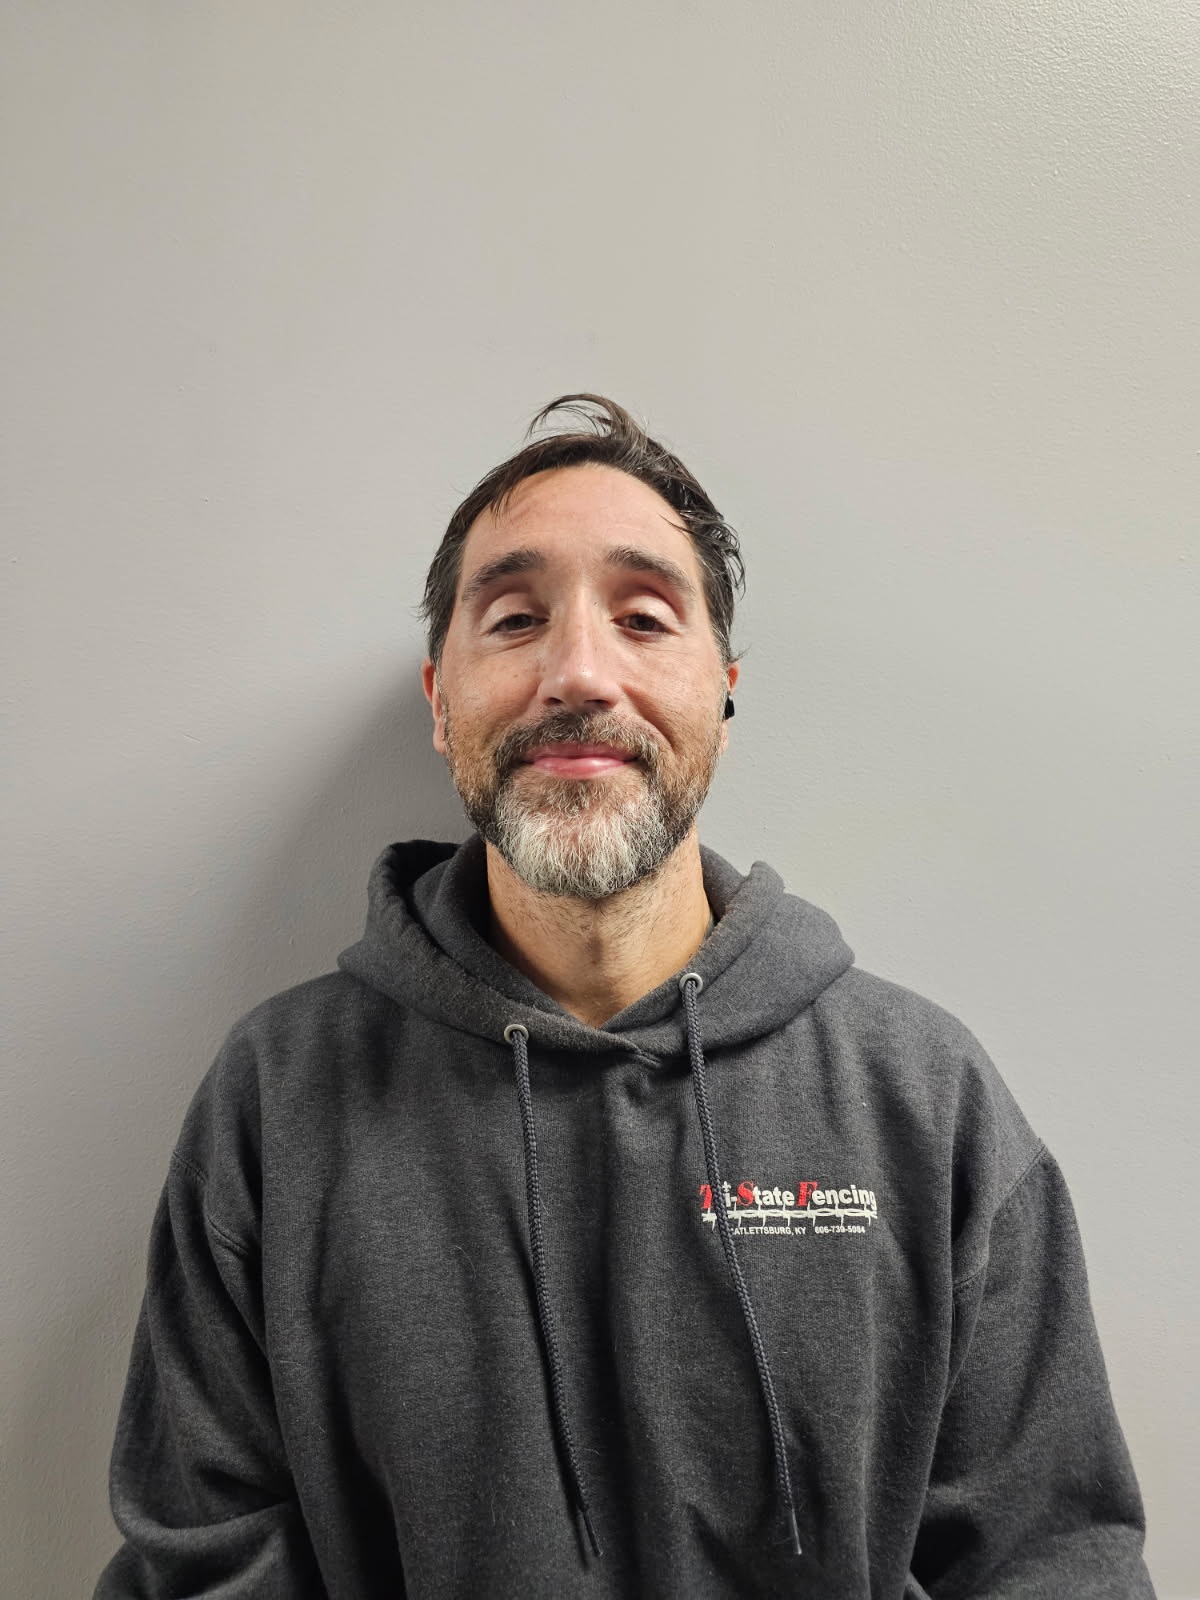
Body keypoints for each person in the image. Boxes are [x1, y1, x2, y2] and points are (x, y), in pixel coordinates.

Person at [95, 395, 1154, 1599]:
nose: (579, 673)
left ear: (722, 694)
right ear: (441, 700)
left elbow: (1053, 1560)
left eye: (644, 617)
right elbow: (205, 1558)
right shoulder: (277, 1099)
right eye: (516, 618)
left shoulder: (923, 1095)